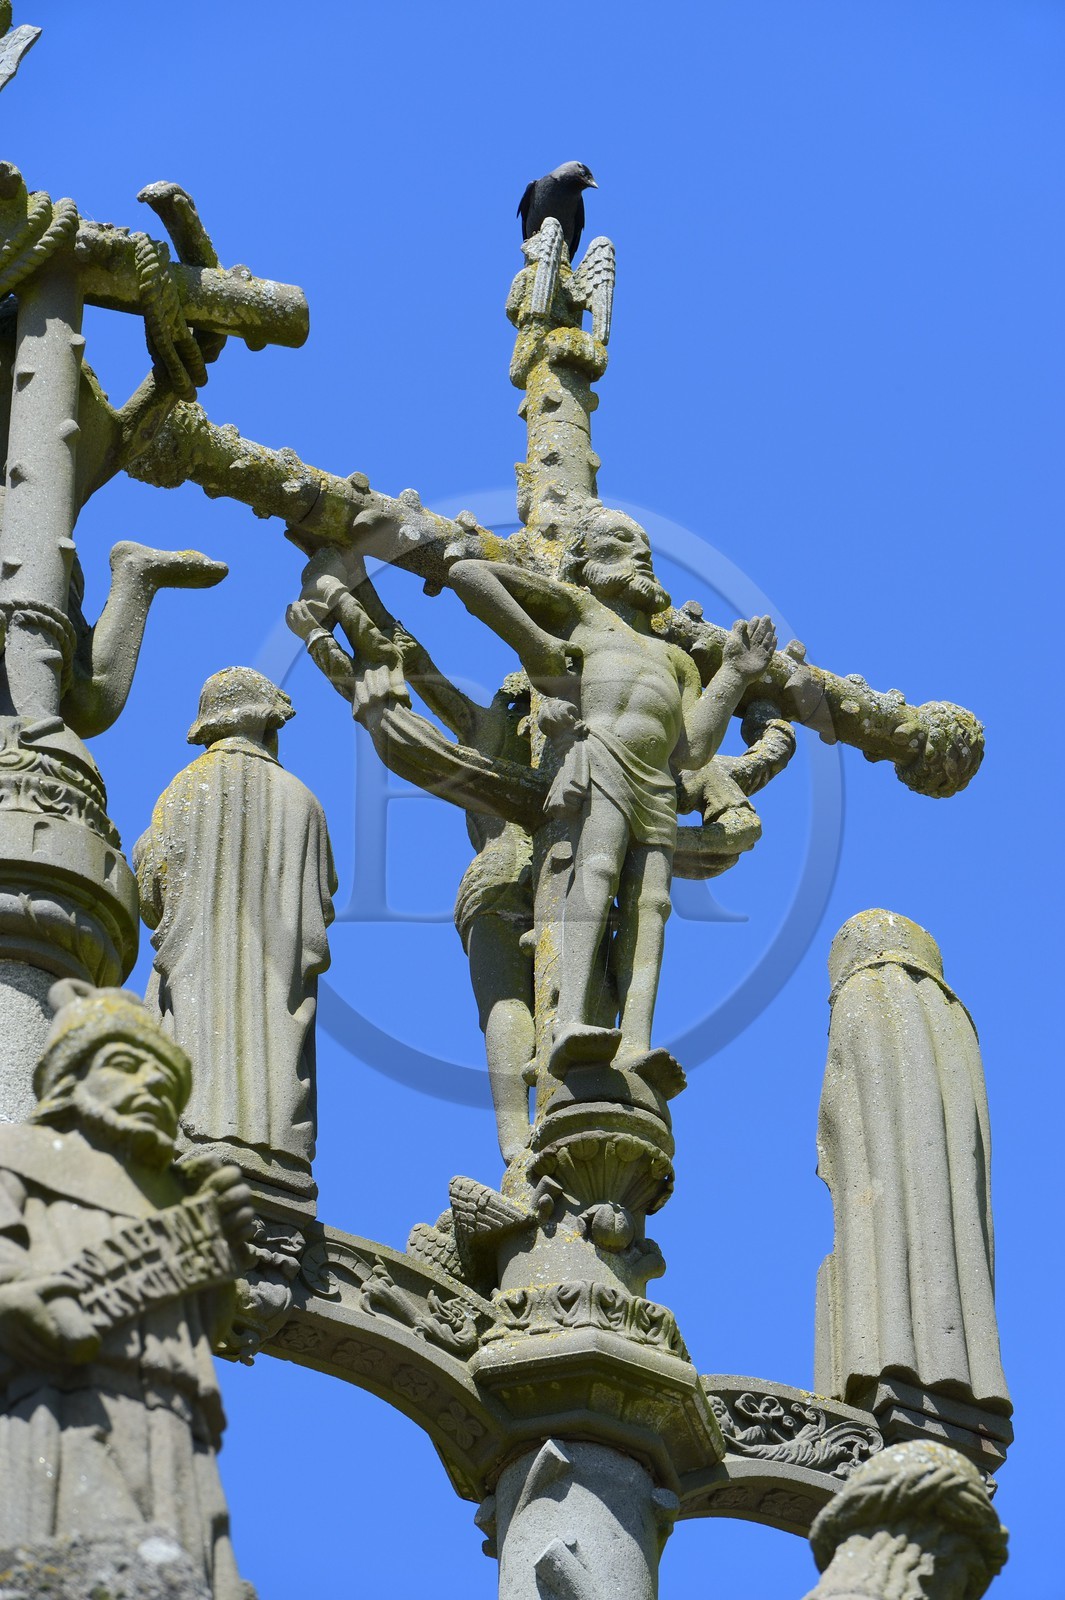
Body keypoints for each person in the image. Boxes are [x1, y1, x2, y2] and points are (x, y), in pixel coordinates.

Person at [448, 503, 777, 1073]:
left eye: (645, 542)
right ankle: (570, 1018)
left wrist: (735, 674)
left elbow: (693, 749)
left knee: (653, 904)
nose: (642, 552)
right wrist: (537, 645)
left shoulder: (677, 660)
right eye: (621, 539)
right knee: (595, 872)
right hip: (600, 755)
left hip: (655, 781)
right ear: (585, 559)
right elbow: (468, 574)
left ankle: (634, 1041)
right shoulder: (580, 612)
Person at [0, 980, 255, 1597]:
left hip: (176, 1413)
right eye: (125, 1067)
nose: (151, 1088)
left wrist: (222, 1250)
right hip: (60, 1400)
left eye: (166, 1082)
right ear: (72, 1076)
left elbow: (211, 1326)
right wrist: (19, 1304)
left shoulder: (175, 1196)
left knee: (180, 1568)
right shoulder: (17, 1155)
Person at [134, 668, 336, 1204]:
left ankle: (201, 1128)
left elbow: (151, 893)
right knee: (276, 1032)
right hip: (278, 977)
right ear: (267, 724)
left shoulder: (181, 791)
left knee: (196, 1032)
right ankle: (277, 1147)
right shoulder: (303, 800)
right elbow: (321, 903)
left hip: (198, 962)